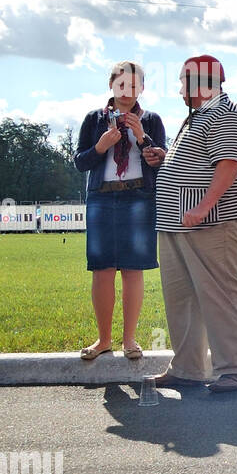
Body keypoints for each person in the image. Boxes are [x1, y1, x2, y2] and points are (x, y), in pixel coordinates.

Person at [148, 55, 237, 393]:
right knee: (182, 299)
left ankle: (233, 369)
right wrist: (166, 160)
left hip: (213, 224)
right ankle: (188, 368)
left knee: (220, 295)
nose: (180, 89)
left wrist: (203, 206)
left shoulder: (229, 114)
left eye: (183, 82)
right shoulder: (198, 118)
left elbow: (228, 164)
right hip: (178, 225)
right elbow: (200, 163)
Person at [73, 61, 167, 361]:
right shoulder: (94, 119)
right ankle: (103, 340)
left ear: (142, 88)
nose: (127, 91)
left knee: (132, 269)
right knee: (101, 269)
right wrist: (100, 147)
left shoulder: (151, 120)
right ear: (111, 85)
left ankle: (129, 340)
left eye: (133, 85)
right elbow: (80, 162)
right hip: (102, 197)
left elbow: (160, 161)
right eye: (121, 84)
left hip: (139, 198)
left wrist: (143, 138)